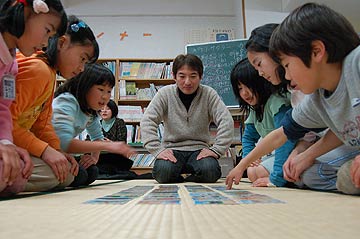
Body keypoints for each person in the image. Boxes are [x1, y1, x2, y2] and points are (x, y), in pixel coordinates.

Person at [226, 3, 360, 195]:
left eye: (287, 65)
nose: (287, 76)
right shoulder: (317, 98)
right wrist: (241, 166)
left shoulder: (356, 63)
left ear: (316, 51)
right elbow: (281, 134)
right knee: (316, 175)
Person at [10, 15, 99, 191]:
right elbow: (7, 124)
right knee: (64, 174)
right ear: (62, 43)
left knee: (69, 171)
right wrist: (46, 151)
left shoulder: (48, 72)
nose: (82, 69)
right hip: (7, 143)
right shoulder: (39, 69)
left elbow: (42, 125)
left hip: (14, 144)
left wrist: (57, 152)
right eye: (82, 58)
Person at [0, 0, 67, 196]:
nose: (46, 43)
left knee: (16, 175)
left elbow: (3, 109)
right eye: (47, 30)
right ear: (25, 12)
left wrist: (7, 144)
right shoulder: (38, 69)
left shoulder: (11, 64)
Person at [140, 53, 234, 183]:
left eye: (193, 76)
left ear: (201, 76)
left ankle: (186, 180)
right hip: (171, 149)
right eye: (182, 76)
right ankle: (183, 179)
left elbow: (226, 121)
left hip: (199, 150)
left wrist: (216, 150)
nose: (187, 82)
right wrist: (157, 150)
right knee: (163, 173)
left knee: (210, 171)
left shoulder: (209, 94)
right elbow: (148, 121)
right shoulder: (165, 94)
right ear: (174, 76)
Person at [52, 63, 135, 187]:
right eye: (101, 89)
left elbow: (97, 136)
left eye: (109, 91)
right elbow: (64, 142)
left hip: (60, 152)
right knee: (80, 175)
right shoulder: (67, 101)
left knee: (92, 171)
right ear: (85, 86)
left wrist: (94, 158)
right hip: (46, 150)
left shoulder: (90, 111)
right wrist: (108, 146)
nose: (105, 96)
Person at [230, 58, 294, 187]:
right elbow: (248, 137)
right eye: (240, 88)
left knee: (258, 172)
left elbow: (285, 142)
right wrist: (249, 160)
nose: (244, 93)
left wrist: (276, 179)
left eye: (248, 86)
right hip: (275, 153)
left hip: (293, 150)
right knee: (252, 171)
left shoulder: (276, 102)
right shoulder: (256, 108)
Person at [96, 99, 135, 178]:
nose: (104, 111)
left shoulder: (119, 122)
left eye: (107, 109)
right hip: (100, 156)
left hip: (115, 156)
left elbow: (122, 142)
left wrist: (110, 144)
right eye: (102, 109)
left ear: (113, 110)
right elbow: (88, 140)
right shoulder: (97, 124)